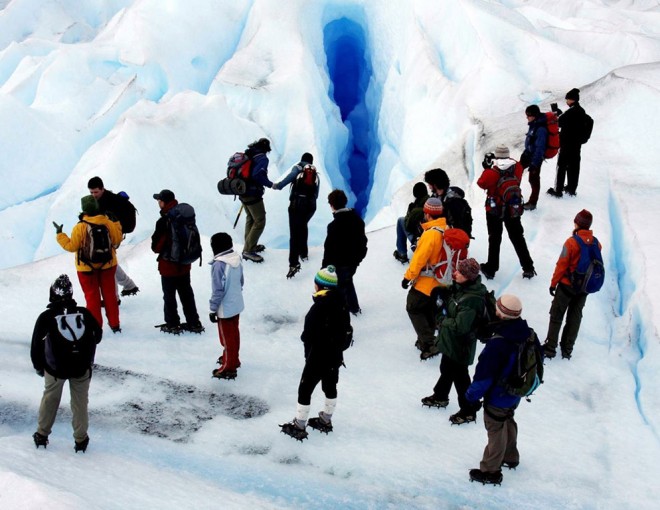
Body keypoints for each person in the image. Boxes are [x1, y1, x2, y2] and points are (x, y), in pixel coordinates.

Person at [465, 294, 537, 485]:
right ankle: (510, 456)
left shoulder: (499, 342)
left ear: (502, 313)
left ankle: (490, 471)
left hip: (499, 394)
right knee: (507, 419)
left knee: (495, 427)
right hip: (516, 391)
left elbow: (484, 375)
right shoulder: (527, 333)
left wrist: (471, 396)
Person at [31, 274, 102, 452]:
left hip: (55, 370)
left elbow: (35, 346)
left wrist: (41, 368)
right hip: (81, 369)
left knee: (50, 400)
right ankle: (81, 440)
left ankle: (42, 435)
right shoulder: (83, 313)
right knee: (80, 404)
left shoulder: (46, 317)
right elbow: (98, 335)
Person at [280, 265, 352, 441]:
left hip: (317, 356)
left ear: (319, 286)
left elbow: (307, 335)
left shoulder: (318, 308)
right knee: (330, 386)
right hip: (335, 356)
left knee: (305, 389)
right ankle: (326, 419)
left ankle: (299, 425)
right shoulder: (342, 304)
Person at [421, 258, 488, 426]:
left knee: (461, 377)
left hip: (460, 344)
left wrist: (442, 320)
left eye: (460, 272)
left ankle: (469, 410)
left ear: (468, 277)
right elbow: (453, 295)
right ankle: (441, 396)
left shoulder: (472, 300)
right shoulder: (462, 288)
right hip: (451, 341)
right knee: (446, 368)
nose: (455, 273)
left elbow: (461, 326)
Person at [54, 195, 123, 332]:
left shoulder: (80, 227)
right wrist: (116, 223)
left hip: (86, 268)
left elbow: (71, 246)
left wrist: (60, 234)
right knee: (110, 296)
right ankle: (115, 325)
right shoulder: (107, 223)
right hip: (108, 265)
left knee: (92, 298)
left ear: (84, 209)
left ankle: (95, 328)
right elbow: (117, 240)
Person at [543, 209, 600, 360]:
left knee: (556, 315)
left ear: (577, 224)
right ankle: (567, 349)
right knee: (575, 318)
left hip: (567, 286)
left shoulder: (572, 242)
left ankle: (550, 348)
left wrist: (553, 284)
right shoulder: (596, 243)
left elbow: (561, 265)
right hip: (584, 289)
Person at [477, 145, 536, 280]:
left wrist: (487, 168)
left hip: (494, 210)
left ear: (496, 156)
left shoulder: (492, 172)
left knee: (494, 238)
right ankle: (528, 267)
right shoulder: (517, 167)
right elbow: (518, 181)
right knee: (518, 238)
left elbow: (481, 183)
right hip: (512, 208)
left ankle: (491, 268)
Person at [151, 189, 203, 334]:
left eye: (159, 201)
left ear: (163, 203)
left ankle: (172, 324)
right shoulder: (185, 216)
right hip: (185, 264)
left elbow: (156, 247)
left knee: (169, 296)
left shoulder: (164, 221)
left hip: (169, 266)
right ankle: (194, 323)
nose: (158, 203)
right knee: (186, 293)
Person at [401, 197, 446, 358]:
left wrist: (407, 278)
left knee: (413, 307)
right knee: (429, 308)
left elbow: (418, 260)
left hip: (427, 281)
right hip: (442, 280)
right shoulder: (446, 228)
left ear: (427, 214)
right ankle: (427, 338)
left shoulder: (430, 234)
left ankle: (428, 343)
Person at [87, 176, 139, 297]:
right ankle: (128, 285)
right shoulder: (105, 199)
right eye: (91, 192)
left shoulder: (107, 202)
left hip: (110, 236)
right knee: (110, 262)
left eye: (96, 192)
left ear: (102, 189)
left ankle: (114, 297)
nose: (93, 195)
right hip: (108, 236)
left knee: (107, 265)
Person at [272, 152, 319, 278]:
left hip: (296, 205)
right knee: (303, 226)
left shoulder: (298, 168)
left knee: (294, 233)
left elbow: (289, 178)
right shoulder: (315, 174)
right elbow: (316, 194)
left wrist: (278, 186)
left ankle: (293, 263)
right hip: (310, 206)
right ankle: (304, 254)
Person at [322, 190, 368, 315]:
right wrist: (359, 258)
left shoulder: (333, 226)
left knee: (340, 288)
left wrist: (324, 268)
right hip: (353, 262)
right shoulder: (357, 220)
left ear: (331, 205)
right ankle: (354, 308)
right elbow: (363, 241)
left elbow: (329, 250)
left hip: (340, 264)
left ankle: (343, 315)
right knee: (348, 281)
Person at [209, 232, 244, 380]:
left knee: (226, 338)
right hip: (236, 304)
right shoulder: (236, 259)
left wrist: (212, 308)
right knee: (234, 334)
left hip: (225, 308)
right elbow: (241, 282)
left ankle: (228, 367)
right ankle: (233, 359)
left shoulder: (219, 264)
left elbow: (218, 290)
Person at [547, 88, 589, 197]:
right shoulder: (581, 111)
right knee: (574, 166)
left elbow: (559, 122)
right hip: (576, 145)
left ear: (572, 100)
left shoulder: (571, 112)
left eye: (567, 99)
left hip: (566, 144)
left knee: (561, 166)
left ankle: (558, 190)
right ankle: (571, 189)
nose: (566, 101)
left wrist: (556, 113)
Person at [240, 138, 274, 263]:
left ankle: (250, 245)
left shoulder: (249, 154)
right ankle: (248, 250)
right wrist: (270, 184)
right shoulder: (262, 158)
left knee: (251, 218)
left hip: (242, 191)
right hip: (252, 193)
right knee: (260, 220)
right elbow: (256, 175)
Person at [424, 168, 473, 237]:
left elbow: (457, 227)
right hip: (439, 233)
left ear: (435, 185)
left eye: (429, 184)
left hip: (452, 239)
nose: (429, 187)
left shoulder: (454, 202)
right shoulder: (435, 197)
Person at [520, 104, 548, 211]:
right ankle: (513, 196)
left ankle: (532, 203)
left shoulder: (541, 129)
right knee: (517, 172)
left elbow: (540, 148)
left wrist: (535, 163)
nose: (527, 117)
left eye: (528, 115)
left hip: (535, 157)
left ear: (534, 115)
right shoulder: (534, 124)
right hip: (527, 154)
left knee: (534, 179)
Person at [393, 182, 429, 263]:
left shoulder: (417, 210)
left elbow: (408, 225)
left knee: (401, 220)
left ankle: (401, 254)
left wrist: (410, 212)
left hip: (420, 242)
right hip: (432, 240)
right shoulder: (431, 203)